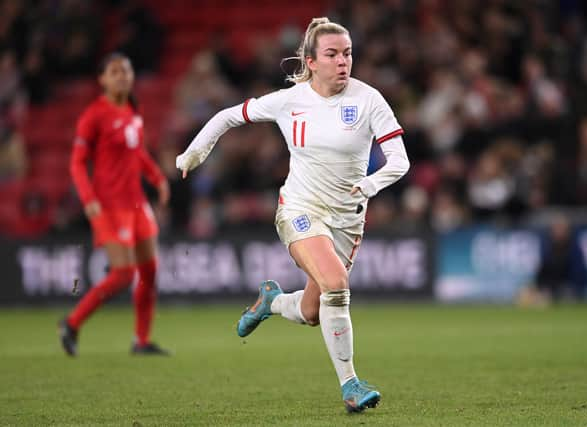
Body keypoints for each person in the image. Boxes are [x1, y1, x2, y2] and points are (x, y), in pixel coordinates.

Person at [176, 18, 410, 413]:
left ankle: (271, 302)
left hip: (347, 220)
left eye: (348, 54)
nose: (343, 62)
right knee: (337, 283)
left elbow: (400, 161)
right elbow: (227, 116)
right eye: (333, 54)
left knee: (312, 311)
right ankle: (351, 384)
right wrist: (193, 153)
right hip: (300, 210)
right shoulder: (290, 101)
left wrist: (372, 184)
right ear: (311, 61)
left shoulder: (369, 100)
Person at [58, 53, 171, 356]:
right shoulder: (94, 115)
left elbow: (138, 152)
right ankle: (71, 323)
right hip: (109, 206)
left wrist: (158, 178)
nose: (122, 76)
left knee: (149, 271)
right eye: (115, 71)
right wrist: (88, 199)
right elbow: (77, 164)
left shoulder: (133, 109)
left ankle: (141, 341)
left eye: (126, 70)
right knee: (123, 274)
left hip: (137, 204)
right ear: (102, 79)